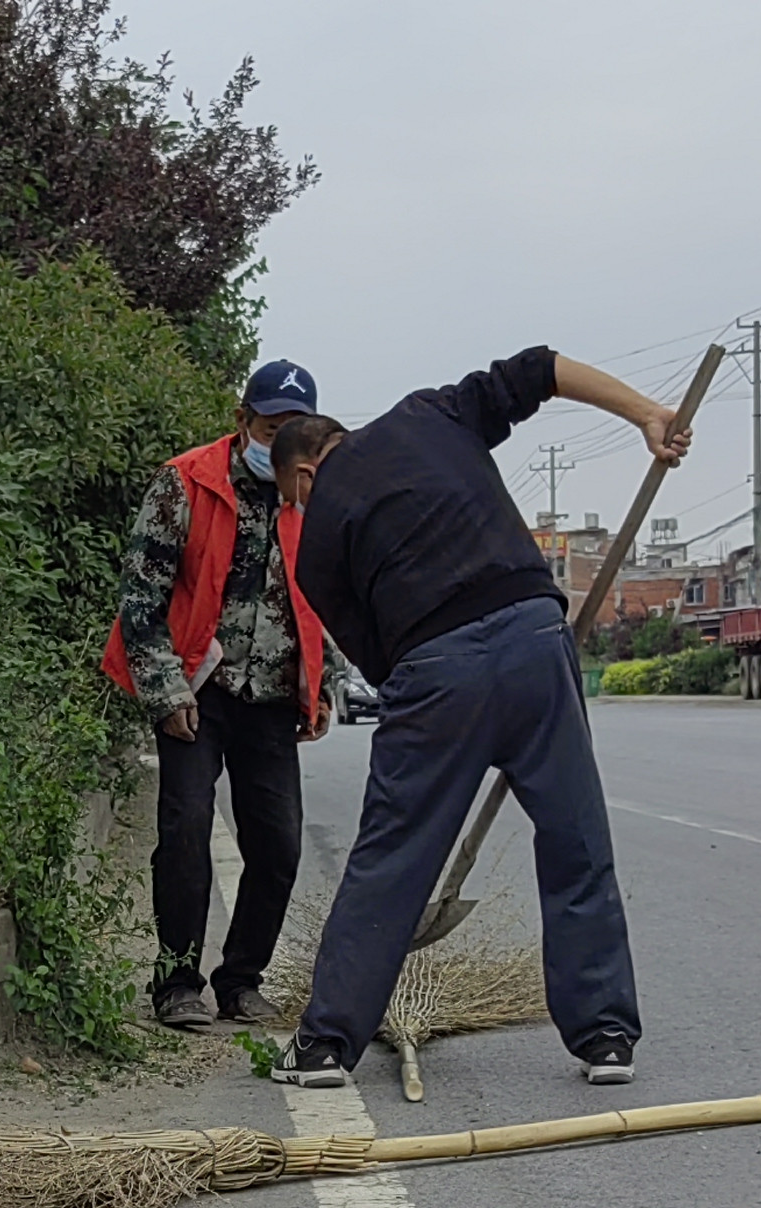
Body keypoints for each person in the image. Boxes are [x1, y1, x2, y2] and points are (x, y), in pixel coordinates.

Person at [267, 349, 689, 1089]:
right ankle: (606, 1039)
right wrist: (648, 415)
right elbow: (542, 367)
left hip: (435, 672)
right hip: (534, 636)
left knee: (391, 859)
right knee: (575, 839)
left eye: (292, 498)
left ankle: (325, 1046)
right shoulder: (432, 412)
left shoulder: (318, 540)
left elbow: (379, 664)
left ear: (303, 473)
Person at [105, 359, 341, 1032]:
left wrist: (322, 687)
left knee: (279, 844)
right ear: (244, 422)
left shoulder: (314, 493)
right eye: (273, 427)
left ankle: (241, 980)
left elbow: (328, 596)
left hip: (269, 697)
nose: (285, 442)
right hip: (194, 691)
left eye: (298, 430)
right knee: (184, 830)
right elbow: (140, 602)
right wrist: (163, 691)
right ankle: (176, 982)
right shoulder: (185, 483)